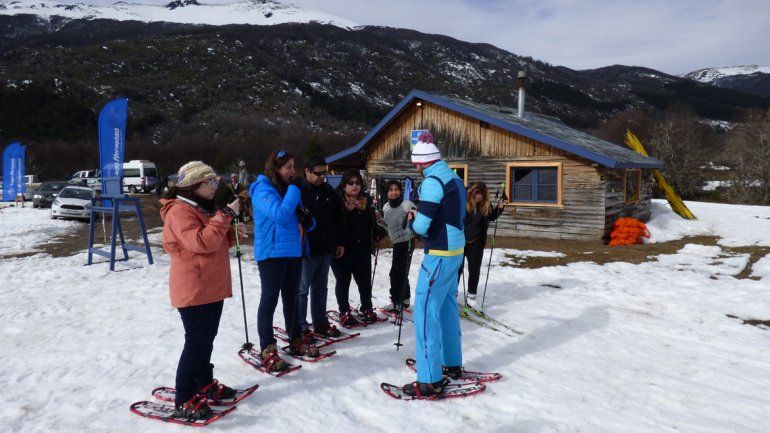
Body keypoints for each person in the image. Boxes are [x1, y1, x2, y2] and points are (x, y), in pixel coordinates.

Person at [159, 161, 247, 420]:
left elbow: (213, 239)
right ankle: (184, 398)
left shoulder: (201, 208)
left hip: (210, 286)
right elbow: (201, 242)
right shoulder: (179, 211)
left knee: (206, 340)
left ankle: (203, 384)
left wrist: (231, 231)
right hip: (194, 288)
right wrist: (225, 216)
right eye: (209, 182)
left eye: (214, 181)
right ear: (193, 185)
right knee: (196, 343)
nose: (214, 186)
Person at [403, 132, 466, 397]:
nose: (416, 168)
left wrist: (411, 219)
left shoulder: (432, 182)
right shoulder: (454, 177)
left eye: (415, 164)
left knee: (425, 311)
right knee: (447, 306)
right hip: (456, 249)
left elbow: (421, 226)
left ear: (420, 162)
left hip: (439, 252)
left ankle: (429, 380)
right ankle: (452, 363)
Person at [250, 149, 318, 372]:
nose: (292, 171)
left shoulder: (287, 189)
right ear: (276, 169)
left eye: (293, 167)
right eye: (288, 167)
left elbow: (300, 218)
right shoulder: (262, 190)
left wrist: (307, 219)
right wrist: (295, 190)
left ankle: (295, 338)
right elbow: (280, 214)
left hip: (292, 251)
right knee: (269, 300)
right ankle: (267, 347)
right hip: (271, 253)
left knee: (291, 298)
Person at [298, 159, 344, 339]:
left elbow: (338, 217)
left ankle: (320, 323)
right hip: (307, 248)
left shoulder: (328, 190)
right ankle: (301, 327)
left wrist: (339, 242)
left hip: (326, 248)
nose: (321, 177)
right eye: (318, 173)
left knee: (320, 287)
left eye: (324, 173)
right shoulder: (299, 190)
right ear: (307, 171)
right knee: (302, 290)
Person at [331, 169, 383, 326]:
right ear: (344, 184)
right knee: (343, 281)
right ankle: (344, 311)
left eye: (357, 183)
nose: (355, 186)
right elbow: (334, 223)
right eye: (351, 183)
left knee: (364, 281)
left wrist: (377, 232)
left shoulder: (365, 200)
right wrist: (346, 212)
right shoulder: (337, 199)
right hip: (343, 248)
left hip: (363, 246)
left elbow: (370, 221)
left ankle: (367, 308)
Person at [459, 181, 504, 307]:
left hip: (476, 242)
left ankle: (471, 298)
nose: (478, 200)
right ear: (471, 195)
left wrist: (500, 207)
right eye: (476, 197)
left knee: (474, 270)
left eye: (481, 198)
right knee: (457, 270)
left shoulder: (485, 205)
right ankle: (452, 294)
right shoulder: (463, 203)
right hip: (460, 242)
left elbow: (492, 216)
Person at [376, 179, 414, 313]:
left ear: (401, 191)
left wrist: (413, 217)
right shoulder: (386, 207)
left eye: (396, 189)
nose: (394, 192)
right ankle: (404, 299)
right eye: (391, 190)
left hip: (407, 241)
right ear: (387, 193)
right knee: (400, 272)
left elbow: (416, 218)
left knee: (397, 273)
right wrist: (380, 221)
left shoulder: (407, 204)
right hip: (397, 242)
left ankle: (397, 301)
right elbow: (389, 227)